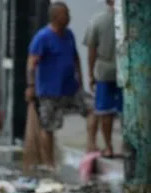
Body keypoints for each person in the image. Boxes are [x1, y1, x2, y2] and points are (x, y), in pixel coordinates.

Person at [26, 2, 91, 168]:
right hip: (49, 91)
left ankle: (91, 146)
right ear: (56, 17)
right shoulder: (43, 37)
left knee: (91, 110)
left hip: (70, 87)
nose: (69, 17)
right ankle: (49, 163)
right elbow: (32, 63)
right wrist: (31, 86)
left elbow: (75, 57)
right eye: (65, 14)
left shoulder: (69, 35)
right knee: (48, 126)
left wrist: (80, 80)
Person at [84, 0, 121, 158]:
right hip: (125, 71)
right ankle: (129, 147)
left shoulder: (97, 21)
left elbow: (91, 51)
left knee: (105, 112)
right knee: (126, 112)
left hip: (104, 72)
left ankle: (108, 147)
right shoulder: (131, 20)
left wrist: (91, 74)